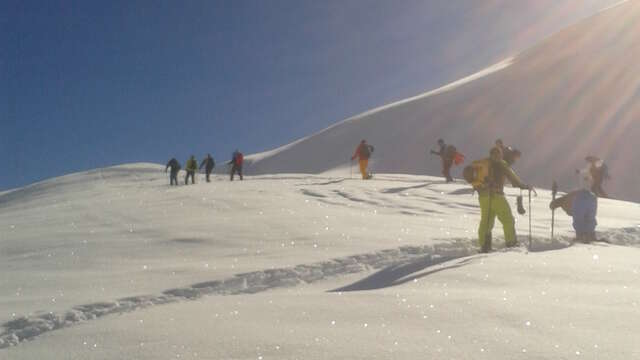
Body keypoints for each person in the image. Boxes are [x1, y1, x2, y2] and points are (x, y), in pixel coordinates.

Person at [477, 147, 532, 253]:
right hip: (496, 196)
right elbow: (513, 179)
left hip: (483, 196)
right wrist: (524, 186)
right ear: (500, 155)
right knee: (508, 219)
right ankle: (511, 242)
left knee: (486, 221)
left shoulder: (484, 163)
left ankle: (485, 246)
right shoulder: (502, 164)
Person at [550, 171, 597, 243]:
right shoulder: (591, 196)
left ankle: (583, 235)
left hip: (581, 200)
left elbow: (578, 216)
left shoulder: (578, 196)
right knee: (587, 216)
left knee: (580, 216)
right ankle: (588, 234)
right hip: (588, 199)